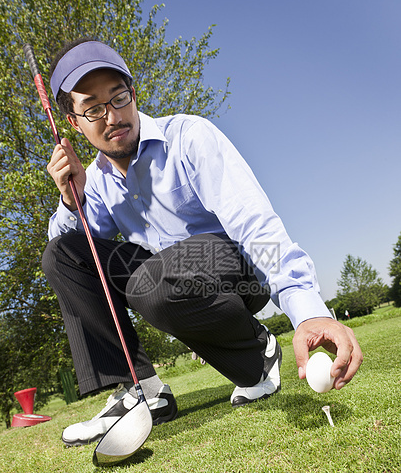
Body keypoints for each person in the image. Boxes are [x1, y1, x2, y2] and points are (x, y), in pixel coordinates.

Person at [43, 38, 363, 447]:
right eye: (93, 108)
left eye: (119, 97)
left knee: (153, 279)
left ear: (134, 94)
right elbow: (78, 263)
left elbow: (255, 226)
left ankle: (257, 343)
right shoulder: (96, 182)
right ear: (75, 122)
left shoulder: (189, 137)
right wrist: (73, 201)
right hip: (167, 282)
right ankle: (143, 391)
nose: (112, 116)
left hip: (239, 270)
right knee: (63, 252)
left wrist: (307, 310)